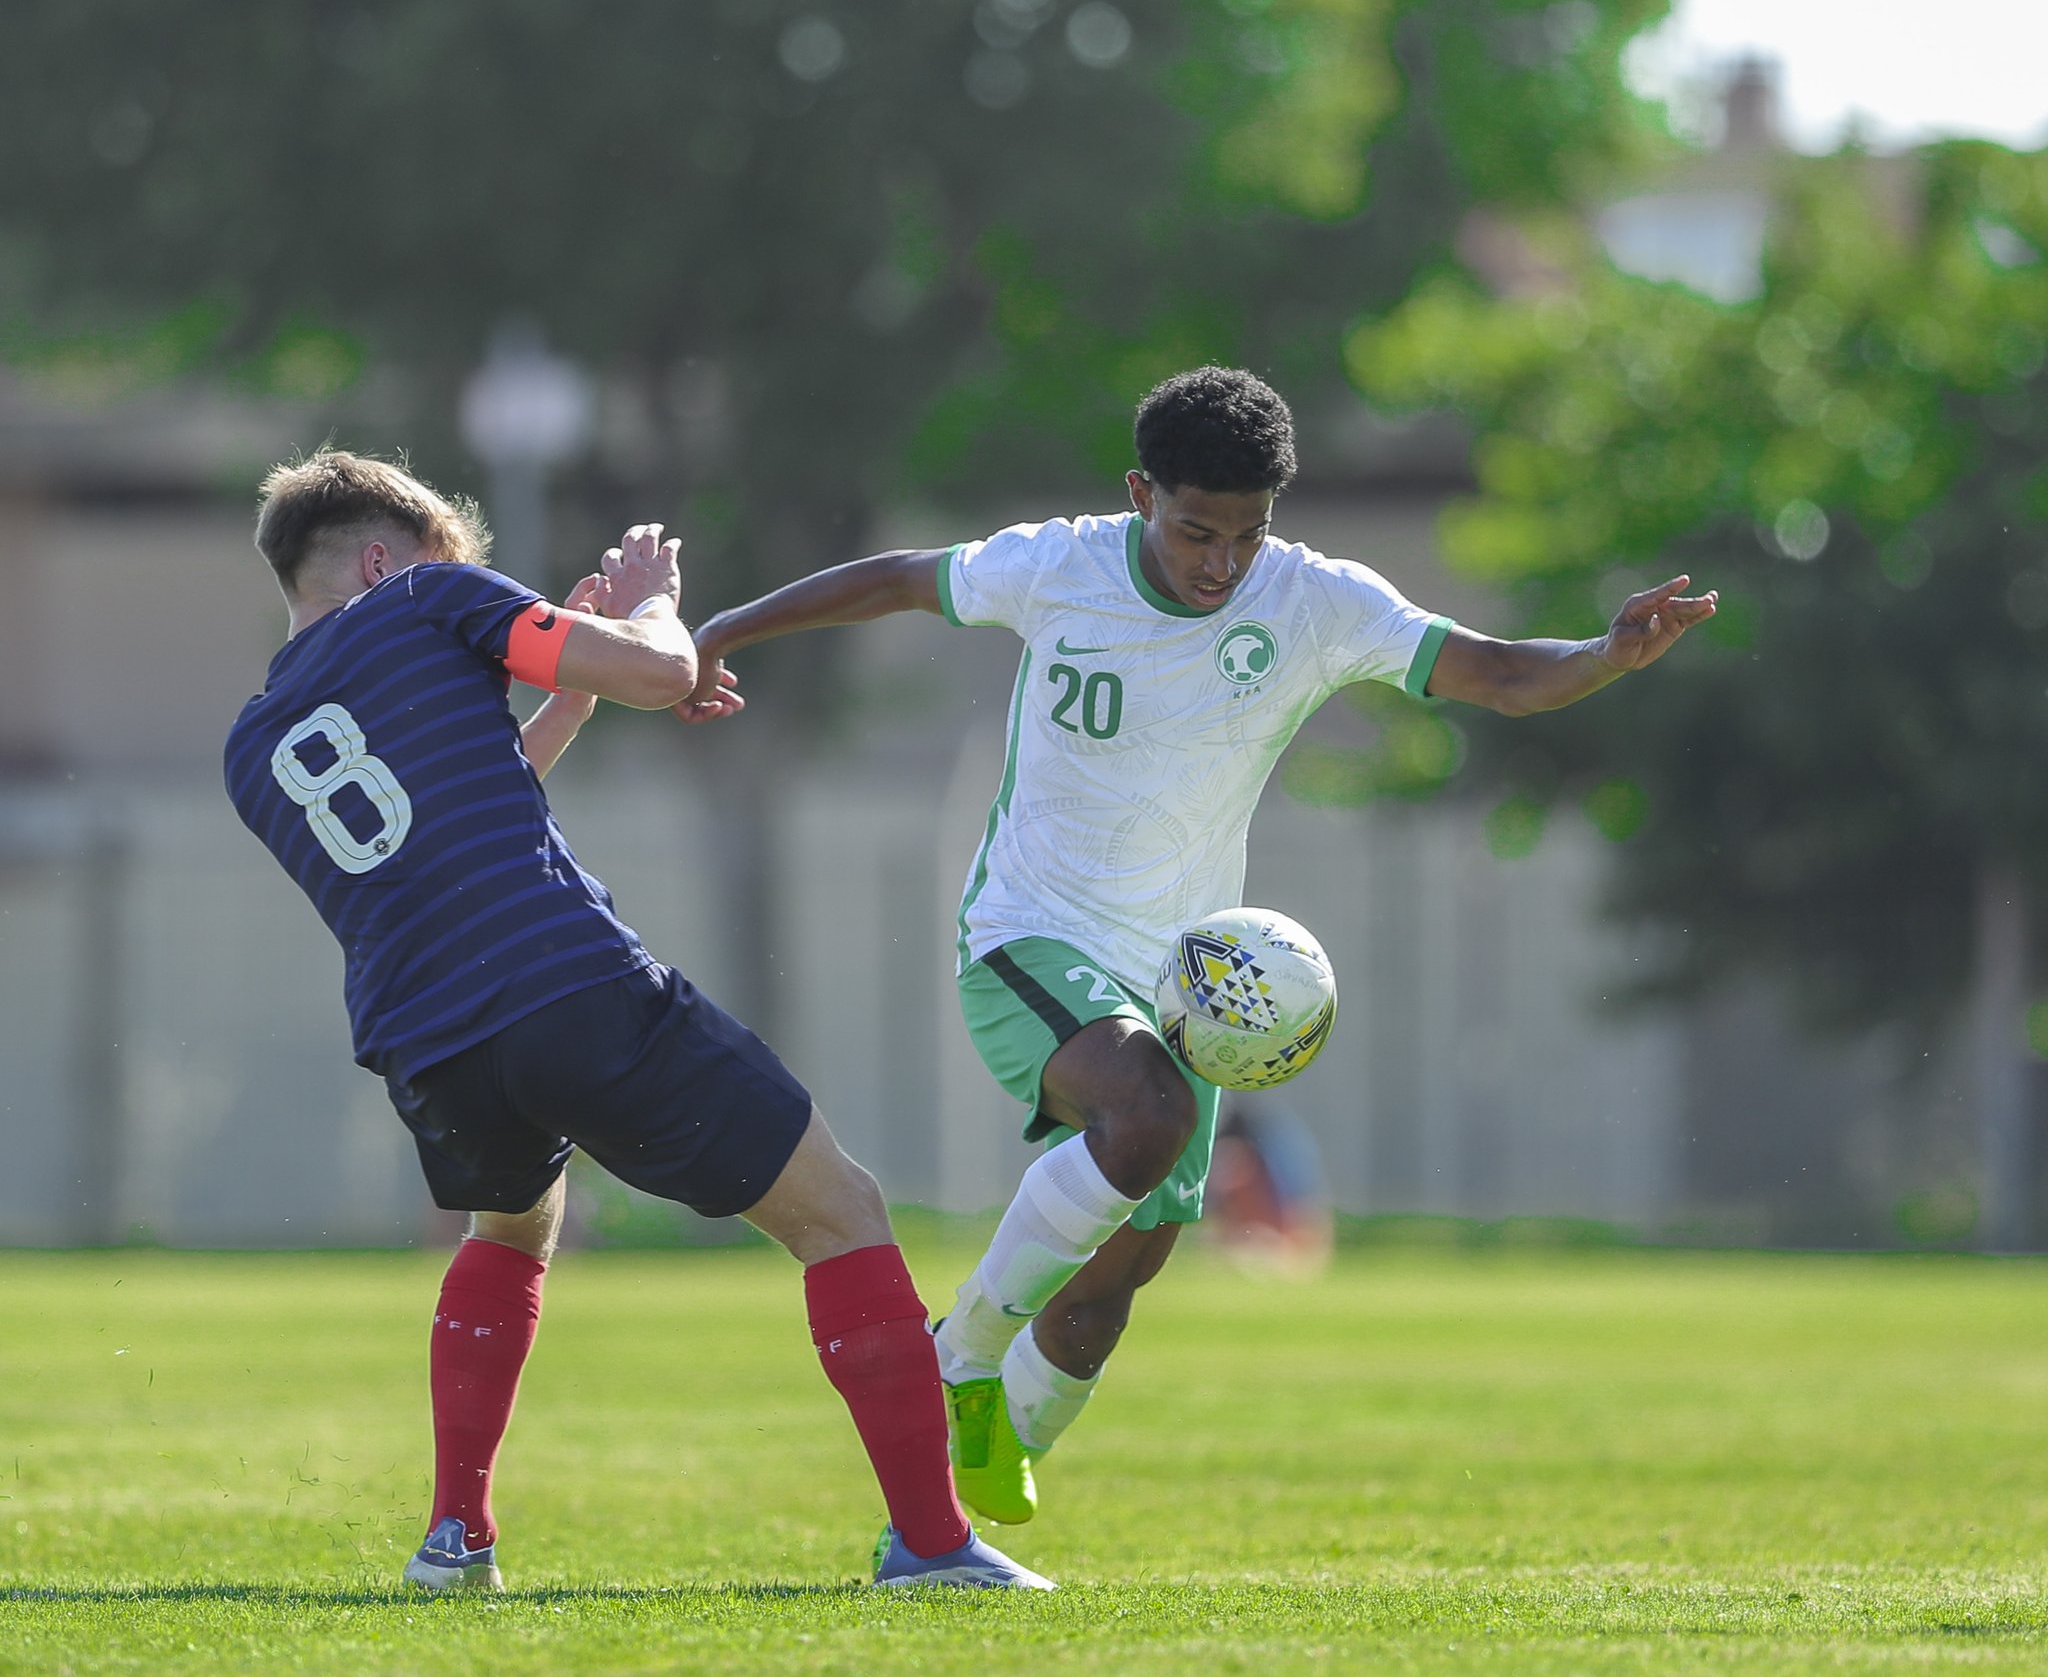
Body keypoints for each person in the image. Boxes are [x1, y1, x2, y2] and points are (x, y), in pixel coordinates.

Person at [676, 365, 1717, 1528]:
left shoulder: (1314, 601)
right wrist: (726, 626)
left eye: (1245, 533)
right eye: (1193, 530)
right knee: (1147, 1115)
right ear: (1139, 494)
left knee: (1109, 1290)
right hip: (1027, 937)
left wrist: (1604, 653)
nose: (1219, 561)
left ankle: (947, 1507)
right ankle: (958, 1346)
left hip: (1181, 985)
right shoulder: (1058, 562)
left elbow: (1497, 670)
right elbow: (897, 581)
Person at [223, 450, 1051, 1592]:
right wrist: (654, 604)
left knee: (508, 1231)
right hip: (563, 982)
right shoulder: (431, 594)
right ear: (382, 560)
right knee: (844, 1210)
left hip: (428, 1038)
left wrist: (574, 675)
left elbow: (470, 791)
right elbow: (666, 673)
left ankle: (455, 1537)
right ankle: (930, 1540)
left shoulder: (253, 738)